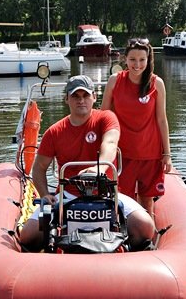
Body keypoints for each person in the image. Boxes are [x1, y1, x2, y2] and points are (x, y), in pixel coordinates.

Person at [21, 74, 156, 250]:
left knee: (145, 226)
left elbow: (110, 143)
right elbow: (39, 169)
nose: (81, 100)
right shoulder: (54, 132)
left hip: (105, 194)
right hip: (68, 195)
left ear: (94, 97)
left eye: (85, 96)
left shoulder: (106, 118)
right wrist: (45, 194)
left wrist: (98, 168)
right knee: (29, 235)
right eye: (75, 96)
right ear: (66, 99)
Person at [101, 38, 172, 216]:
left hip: (150, 153)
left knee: (147, 200)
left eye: (142, 59)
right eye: (133, 59)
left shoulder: (157, 84)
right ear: (125, 59)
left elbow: (162, 120)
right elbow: (104, 116)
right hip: (123, 154)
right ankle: (124, 237)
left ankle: (147, 238)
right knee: (123, 199)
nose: (137, 64)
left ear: (148, 60)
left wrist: (167, 154)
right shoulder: (114, 81)